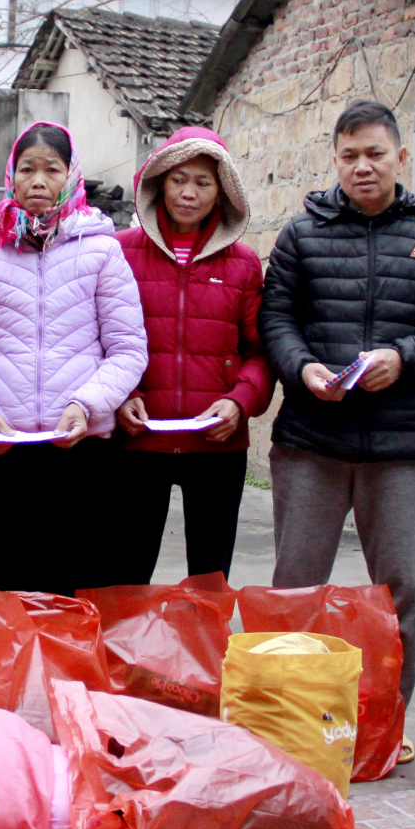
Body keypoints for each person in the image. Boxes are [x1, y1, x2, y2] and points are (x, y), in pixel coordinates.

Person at [260, 98, 415, 734]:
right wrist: (301, 370)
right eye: (349, 155)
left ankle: (386, 722)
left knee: (399, 592)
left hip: (402, 446)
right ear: (335, 159)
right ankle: (286, 715)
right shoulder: (303, 234)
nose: (362, 167)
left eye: (375, 154)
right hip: (311, 441)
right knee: (295, 588)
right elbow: (276, 319)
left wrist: (404, 358)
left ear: (401, 157)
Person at [0, 121, 148, 595]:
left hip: (79, 449)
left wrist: (87, 405)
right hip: (4, 450)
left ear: (72, 176)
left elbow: (127, 349)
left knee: (75, 583)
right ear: (10, 177)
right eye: (27, 169)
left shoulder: (102, 251)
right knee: (6, 589)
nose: (38, 181)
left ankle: (71, 671)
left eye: (51, 169)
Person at [113, 126, 273, 583]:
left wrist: (240, 402)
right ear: (158, 182)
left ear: (222, 193)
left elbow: (259, 350)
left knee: (210, 572)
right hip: (138, 438)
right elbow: (99, 339)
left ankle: (205, 655)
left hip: (217, 443)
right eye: (178, 179)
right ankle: (124, 656)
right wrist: (122, 395)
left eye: (203, 182)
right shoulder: (121, 252)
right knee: (127, 570)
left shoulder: (242, 263)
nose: (189, 193)